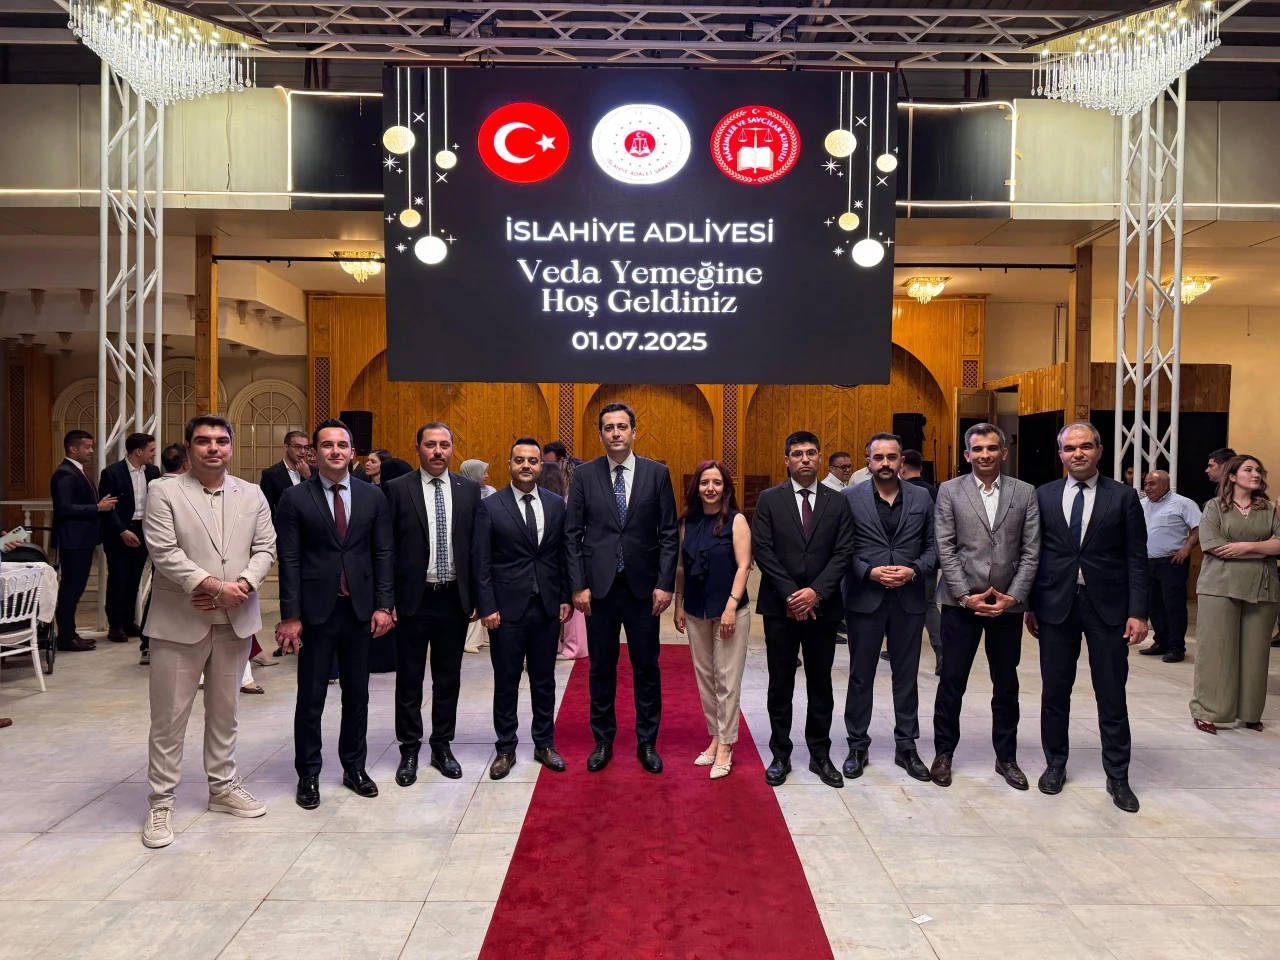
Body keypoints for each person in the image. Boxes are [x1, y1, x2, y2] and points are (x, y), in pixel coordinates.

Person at [140, 415, 276, 848]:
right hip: (180, 620)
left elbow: (265, 548)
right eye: (203, 441)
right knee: (169, 718)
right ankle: (161, 802)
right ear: (189, 447)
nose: (213, 448)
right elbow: (163, 550)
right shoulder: (164, 491)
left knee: (225, 712)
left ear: (231, 447)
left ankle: (222, 787)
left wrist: (241, 587)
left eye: (221, 441)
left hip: (235, 620)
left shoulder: (251, 493)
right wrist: (214, 587)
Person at [1026, 421, 1148, 814]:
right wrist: (1030, 605)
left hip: (1107, 608)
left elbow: (1137, 558)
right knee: (1054, 691)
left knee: (1111, 693)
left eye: (1085, 446)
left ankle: (1118, 775)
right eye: (1069, 448)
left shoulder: (1123, 497)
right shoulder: (1043, 496)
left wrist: (1138, 612)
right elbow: (1034, 554)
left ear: (1099, 450)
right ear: (1060, 453)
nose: (1077, 453)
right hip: (1055, 606)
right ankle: (1055, 765)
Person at [275, 419, 394, 809]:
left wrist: (383, 605)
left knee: (357, 694)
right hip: (315, 612)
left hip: (360, 610)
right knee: (311, 697)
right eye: (327, 445)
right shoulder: (295, 498)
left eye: (342, 445)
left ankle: (354, 767)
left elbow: (383, 553)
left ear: (352, 452)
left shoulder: (372, 497)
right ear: (314, 452)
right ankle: (308, 774)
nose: (335, 451)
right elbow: (289, 559)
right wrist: (290, 615)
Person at [566, 402, 678, 775]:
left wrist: (665, 584)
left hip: (643, 589)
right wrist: (578, 585)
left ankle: (647, 742)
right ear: (600, 434)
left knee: (646, 666)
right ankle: (603, 740)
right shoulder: (585, 475)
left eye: (622, 426)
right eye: (609, 427)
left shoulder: (657, 474)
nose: (616, 433)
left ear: (633, 431)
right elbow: (572, 534)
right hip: (598, 590)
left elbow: (668, 533)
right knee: (601, 667)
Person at [930, 423, 1040, 790]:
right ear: (967, 455)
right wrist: (965, 595)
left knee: (1006, 684)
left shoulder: (1025, 492)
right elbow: (945, 547)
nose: (985, 455)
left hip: (1006, 605)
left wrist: (1014, 596)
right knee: (952, 681)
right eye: (977, 449)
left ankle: (1006, 757)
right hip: (961, 604)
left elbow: (1031, 549)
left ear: (1004, 452)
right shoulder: (950, 491)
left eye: (992, 448)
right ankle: (944, 753)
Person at [751, 431, 854, 788]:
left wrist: (816, 593)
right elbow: (763, 549)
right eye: (797, 454)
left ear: (820, 457)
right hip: (780, 607)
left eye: (811, 453)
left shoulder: (837, 502)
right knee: (780, 683)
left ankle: (819, 753)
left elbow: (844, 551)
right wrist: (793, 595)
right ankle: (780, 753)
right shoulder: (769, 499)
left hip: (823, 608)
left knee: (820, 682)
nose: (805, 459)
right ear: (786, 460)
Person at [385, 422, 481, 785]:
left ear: (453, 449)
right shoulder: (397, 488)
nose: (438, 451)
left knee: (448, 678)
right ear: (417, 449)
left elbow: (476, 547)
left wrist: (475, 596)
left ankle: (442, 745)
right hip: (413, 598)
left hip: (453, 598)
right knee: (409, 678)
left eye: (444, 445)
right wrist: (387, 599)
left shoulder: (468, 490)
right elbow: (386, 548)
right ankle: (409, 748)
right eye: (430, 445)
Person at [473, 438, 572, 779]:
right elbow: (481, 561)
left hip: (546, 607)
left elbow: (562, 555)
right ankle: (505, 748)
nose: (526, 465)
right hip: (505, 610)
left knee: (545, 680)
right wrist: (487, 605)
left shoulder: (556, 505)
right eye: (519, 460)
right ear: (510, 465)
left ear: (541, 465)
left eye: (532, 460)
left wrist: (564, 596)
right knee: (507, 680)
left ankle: (545, 743)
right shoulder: (491, 506)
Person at [843, 433, 938, 783]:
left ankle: (906, 746)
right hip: (865, 598)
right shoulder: (850, 498)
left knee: (906, 676)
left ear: (902, 461)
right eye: (878, 457)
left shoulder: (922, 497)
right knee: (860, 675)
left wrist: (915, 571)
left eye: (892, 457)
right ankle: (857, 745)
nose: (885, 463)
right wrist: (868, 571)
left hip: (908, 599)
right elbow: (842, 548)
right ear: (867, 461)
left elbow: (934, 546)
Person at [1190, 455, 1280, 734]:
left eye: (1259, 470)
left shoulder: (1270, 509)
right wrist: (1262, 549)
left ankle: (1250, 712)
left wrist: (1242, 548)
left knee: (1256, 654)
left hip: (1262, 587)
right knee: (1216, 651)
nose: (1256, 474)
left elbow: (1279, 544)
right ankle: (1208, 711)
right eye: (1248, 469)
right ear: (1232, 476)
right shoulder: (1214, 506)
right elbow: (1213, 545)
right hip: (1219, 586)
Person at [673, 460, 752, 780]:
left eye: (717, 483)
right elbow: (681, 566)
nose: (710, 488)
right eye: (705, 482)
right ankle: (716, 736)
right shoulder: (686, 522)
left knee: (727, 680)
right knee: (706, 679)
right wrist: (678, 604)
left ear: (725, 488)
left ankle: (727, 745)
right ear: (696, 487)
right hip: (696, 610)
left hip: (730, 610)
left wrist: (731, 606)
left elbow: (744, 566)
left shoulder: (736, 521)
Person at [51, 429, 117, 652]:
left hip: (82, 539)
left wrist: (98, 504)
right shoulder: (65, 473)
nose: (91, 451)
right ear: (73, 448)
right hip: (73, 541)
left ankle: (70, 634)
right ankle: (66, 637)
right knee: (71, 589)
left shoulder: (77, 471)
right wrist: (97, 507)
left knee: (75, 588)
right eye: (87, 447)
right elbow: (64, 508)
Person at [98, 432, 160, 645]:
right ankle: (115, 626)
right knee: (118, 579)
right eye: (151, 450)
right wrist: (122, 531)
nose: (154, 454)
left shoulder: (153, 471)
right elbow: (107, 508)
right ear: (138, 451)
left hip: (143, 530)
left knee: (134, 579)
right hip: (120, 533)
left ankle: (128, 621)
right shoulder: (112, 473)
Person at [1138, 470, 1202, 663]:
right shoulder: (1142, 505)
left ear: (1165, 485)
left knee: (1173, 606)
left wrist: (1187, 548)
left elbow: (1200, 528)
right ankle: (1161, 642)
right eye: (1146, 484)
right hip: (1147, 562)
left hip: (1172, 562)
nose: (1147, 488)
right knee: (1153, 606)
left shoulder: (1183, 503)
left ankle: (1176, 647)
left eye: (1152, 484)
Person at [895, 449, 941, 672]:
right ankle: (942, 652)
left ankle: (897, 650)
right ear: (921, 467)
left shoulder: (903, 492)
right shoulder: (935, 491)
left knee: (900, 605)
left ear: (902, 467)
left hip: (905, 559)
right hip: (929, 559)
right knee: (929, 605)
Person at [260, 431, 312, 518]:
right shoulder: (270, 474)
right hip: (283, 524)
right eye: (297, 446)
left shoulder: (313, 472)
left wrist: (308, 477)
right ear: (286, 447)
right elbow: (267, 509)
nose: (303, 452)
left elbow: (322, 501)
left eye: (306, 448)